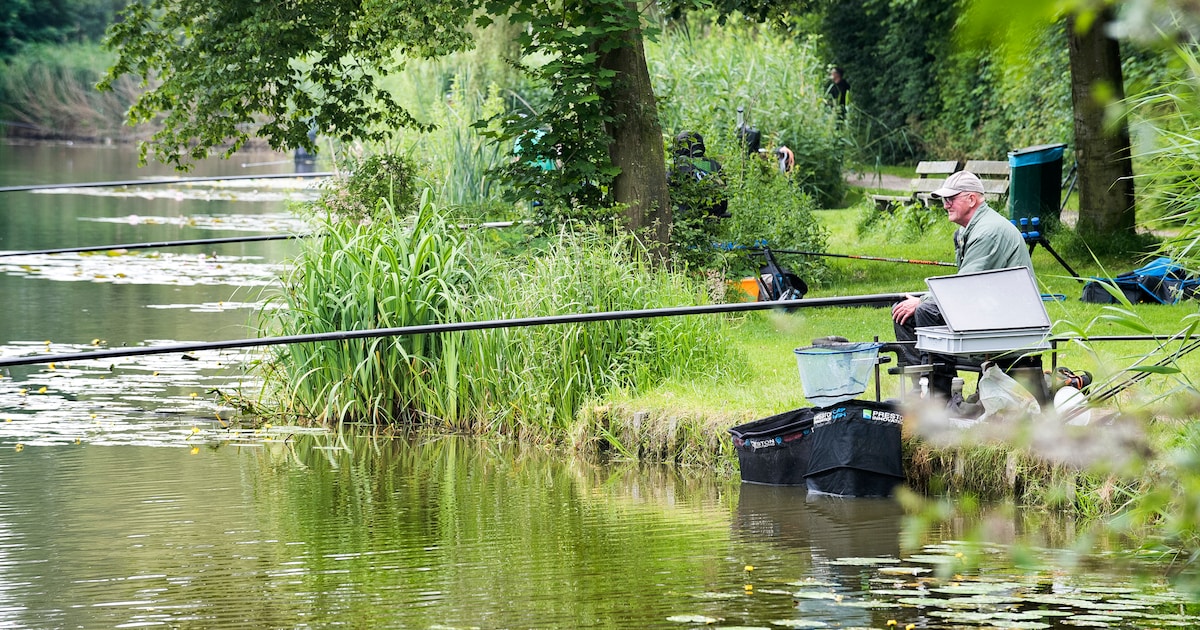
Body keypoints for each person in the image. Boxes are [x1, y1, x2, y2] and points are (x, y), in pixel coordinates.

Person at [890, 170, 1034, 396]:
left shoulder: (988, 231)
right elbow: (967, 285)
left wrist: (923, 301)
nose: (945, 205)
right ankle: (922, 389)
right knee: (903, 312)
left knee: (926, 310)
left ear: (972, 199)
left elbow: (964, 285)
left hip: (1007, 317)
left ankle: (939, 395)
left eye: (951, 198)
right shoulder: (968, 231)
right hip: (988, 307)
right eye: (944, 199)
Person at [668, 130, 729, 219]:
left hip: (688, 216)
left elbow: (666, 188)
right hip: (715, 213)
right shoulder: (714, 165)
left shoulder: (680, 165)